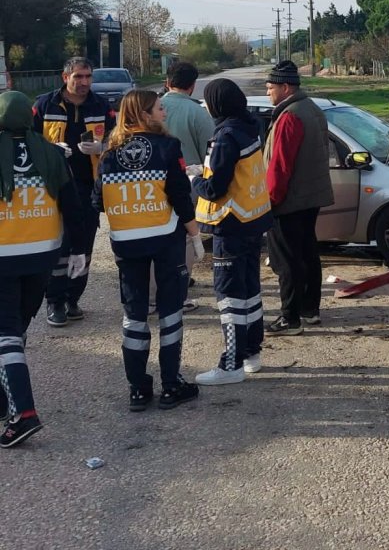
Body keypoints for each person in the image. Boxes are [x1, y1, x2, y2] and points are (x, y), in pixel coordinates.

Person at [93, 90, 200, 411]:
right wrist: (195, 235)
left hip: (126, 242)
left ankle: (138, 390)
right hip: (164, 239)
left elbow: (97, 201)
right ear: (144, 114)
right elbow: (181, 196)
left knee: (134, 315)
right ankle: (171, 385)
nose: (164, 112)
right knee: (169, 311)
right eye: (158, 108)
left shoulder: (110, 152)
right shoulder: (167, 148)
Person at [0, 91, 86, 447]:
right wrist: (79, 248)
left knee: (4, 335)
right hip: (42, 257)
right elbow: (73, 206)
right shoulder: (51, 153)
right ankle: (5, 400)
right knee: (15, 332)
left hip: (3, 256)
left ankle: (24, 414)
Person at [192, 79, 273, 384]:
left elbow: (214, 189)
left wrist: (195, 180)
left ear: (217, 105)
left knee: (229, 296)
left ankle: (231, 364)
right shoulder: (250, 127)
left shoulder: (224, 137)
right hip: (254, 220)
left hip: (231, 223)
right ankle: (252, 352)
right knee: (250, 290)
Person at [32, 56, 116, 327]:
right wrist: (50, 150)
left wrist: (102, 148)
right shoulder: (44, 104)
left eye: (88, 76)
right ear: (64, 77)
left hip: (88, 186)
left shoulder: (101, 106)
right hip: (54, 186)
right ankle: (54, 301)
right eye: (78, 76)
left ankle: (73, 297)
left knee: (84, 244)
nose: (84, 82)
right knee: (59, 244)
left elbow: (118, 141)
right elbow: (29, 141)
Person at [261, 61, 334, 334]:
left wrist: (270, 201)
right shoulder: (313, 109)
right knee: (307, 253)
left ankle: (289, 317)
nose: (268, 92)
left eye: (270, 88)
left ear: (285, 87)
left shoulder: (290, 116)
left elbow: (280, 166)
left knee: (286, 261)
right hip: (311, 197)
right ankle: (310, 310)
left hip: (289, 201)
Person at [159, 61, 214, 309]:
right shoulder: (198, 113)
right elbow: (210, 152)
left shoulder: (150, 109)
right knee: (185, 236)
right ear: (192, 86)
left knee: (158, 234)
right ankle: (181, 282)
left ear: (167, 82)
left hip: (151, 185)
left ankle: (156, 285)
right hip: (187, 183)